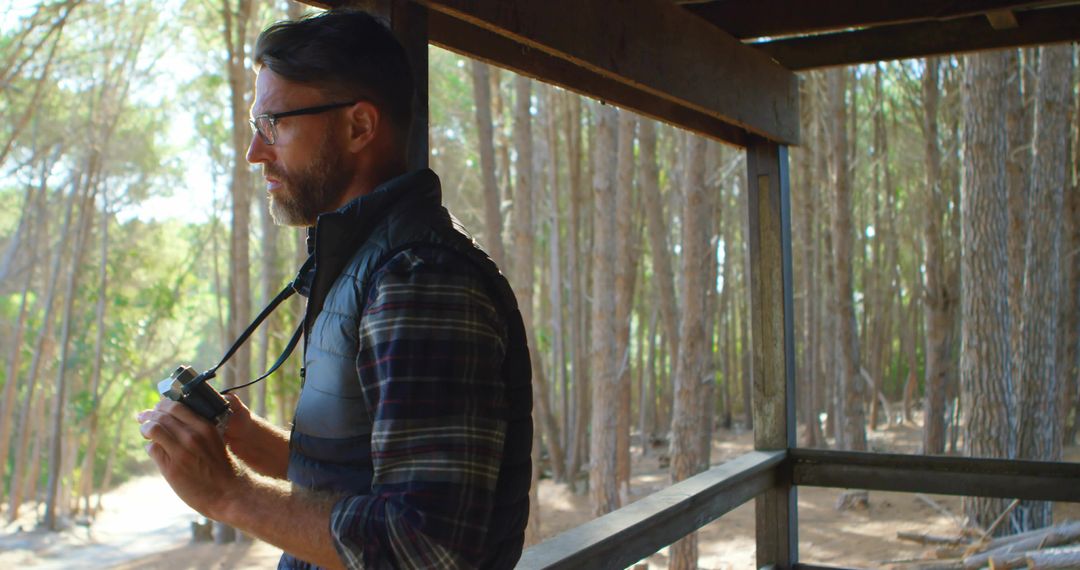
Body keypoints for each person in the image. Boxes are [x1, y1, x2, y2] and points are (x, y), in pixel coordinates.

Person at [137, 10, 532, 569]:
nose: (254, 151)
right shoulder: (371, 264)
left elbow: (426, 545)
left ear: (358, 127)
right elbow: (356, 477)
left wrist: (229, 493)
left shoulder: (419, 279)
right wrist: (242, 437)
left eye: (273, 123)